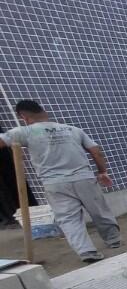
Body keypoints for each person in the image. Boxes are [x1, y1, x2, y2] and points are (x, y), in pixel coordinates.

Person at [1, 100, 120, 262]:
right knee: (100, 211)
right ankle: (114, 240)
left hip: (54, 183)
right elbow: (95, 151)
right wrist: (102, 171)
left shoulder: (24, 132)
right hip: (84, 178)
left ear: (23, 116)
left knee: (69, 219)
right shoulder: (72, 130)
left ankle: (87, 252)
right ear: (44, 112)